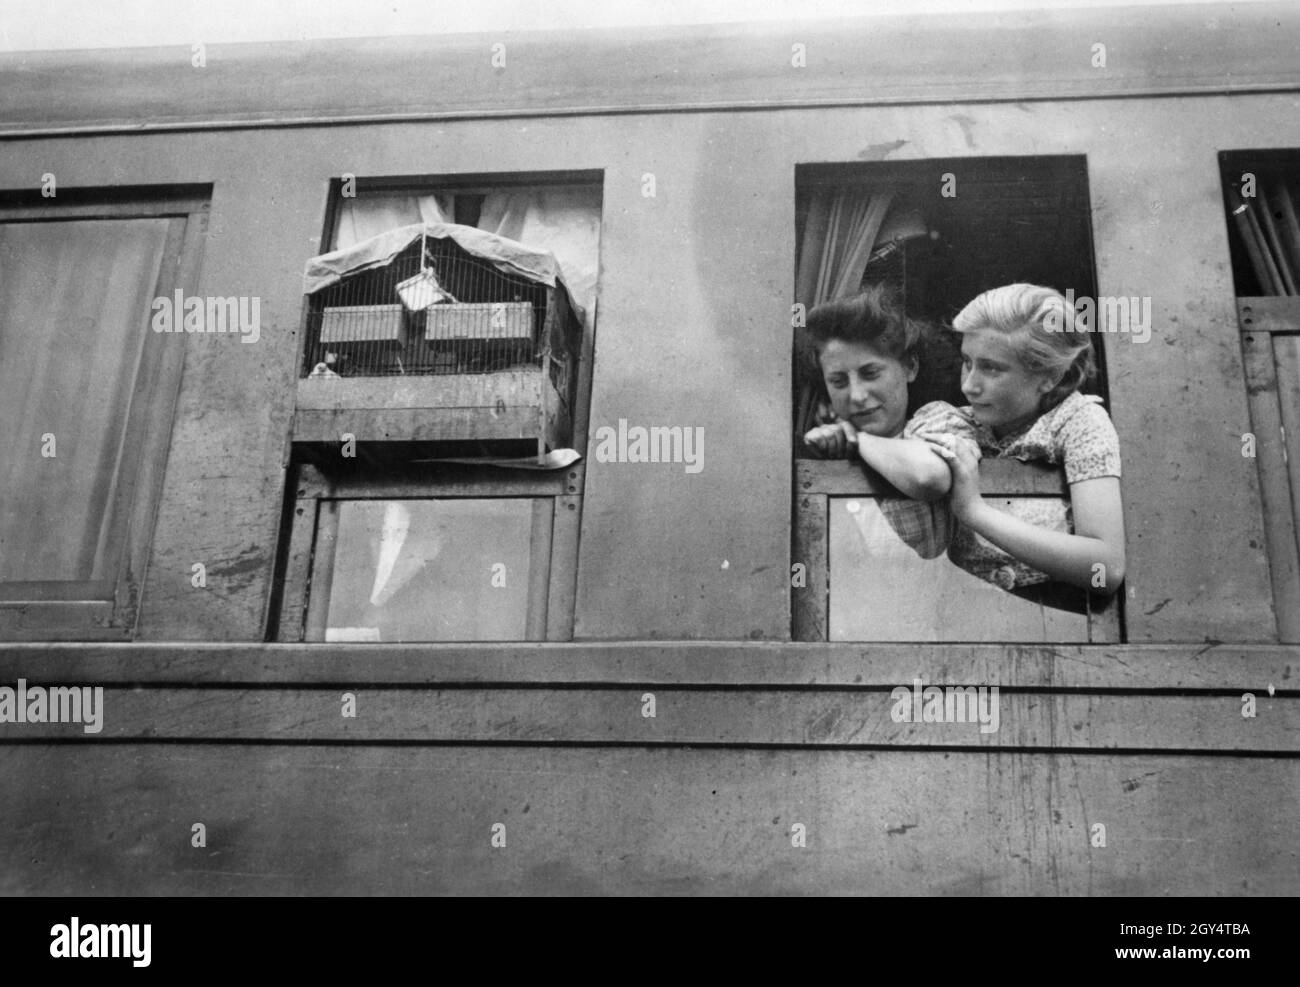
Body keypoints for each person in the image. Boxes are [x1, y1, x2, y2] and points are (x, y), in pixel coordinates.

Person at [921, 283, 1126, 596]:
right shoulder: (951, 420)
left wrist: (975, 512)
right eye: (967, 362)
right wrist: (857, 440)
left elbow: (1106, 571)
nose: (969, 386)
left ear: (1051, 378)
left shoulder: (1080, 423)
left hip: (1060, 624)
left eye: (990, 368)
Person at [801, 285, 973, 558]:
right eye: (838, 381)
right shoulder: (828, 447)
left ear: (910, 367)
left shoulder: (938, 420)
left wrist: (858, 440)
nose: (857, 395)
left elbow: (929, 476)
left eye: (870, 373)